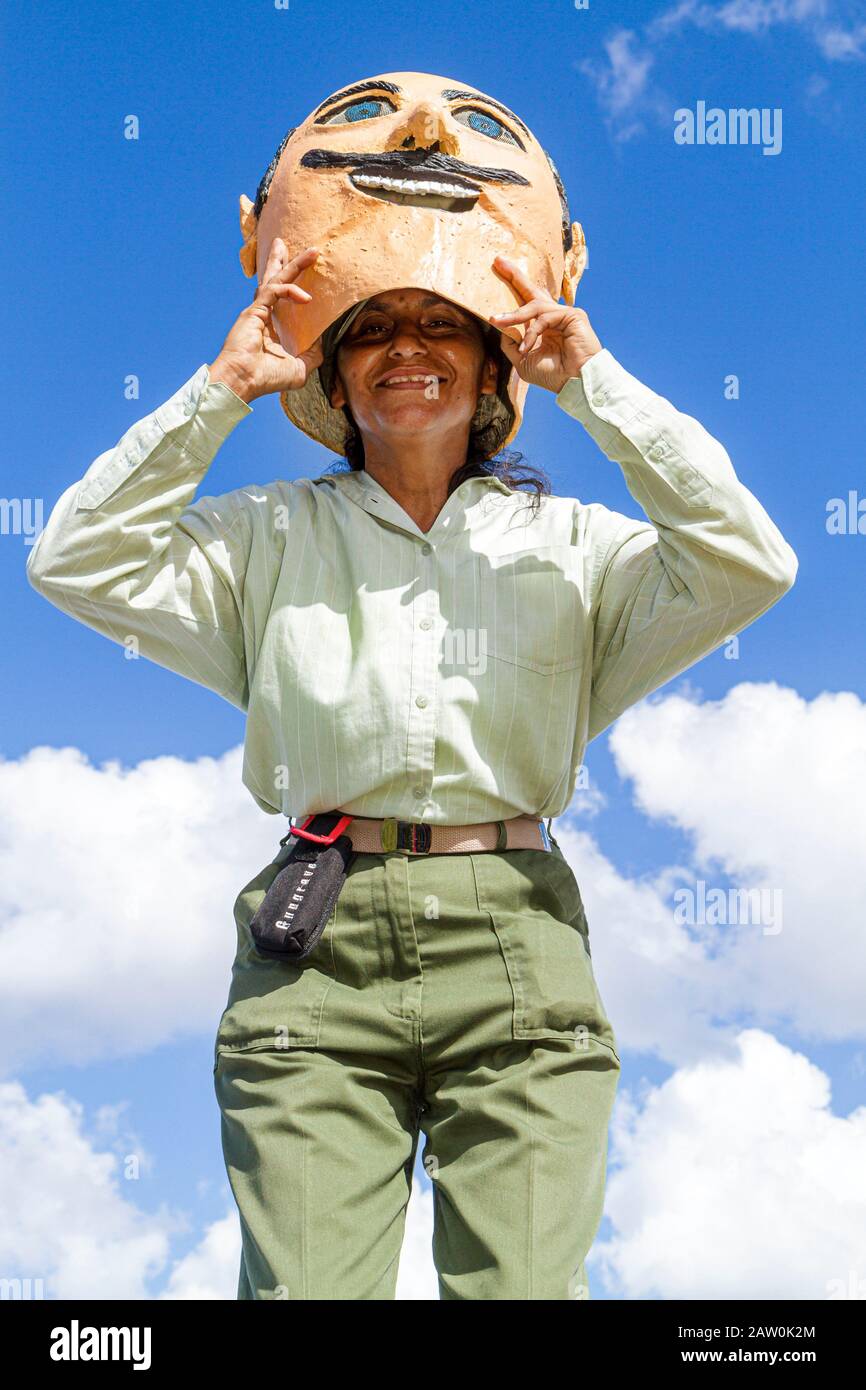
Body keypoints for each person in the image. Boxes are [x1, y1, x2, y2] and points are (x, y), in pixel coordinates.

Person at [26, 90, 798, 1301]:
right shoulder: (263, 540)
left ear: (494, 361)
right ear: (330, 372)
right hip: (313, 946)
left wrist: (594, 384)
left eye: (442, 322)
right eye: (372, 325)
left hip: (519, 944)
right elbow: (73, 558)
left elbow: (749, 560)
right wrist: (216, 391)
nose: (407, 346)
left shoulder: (577, 547)